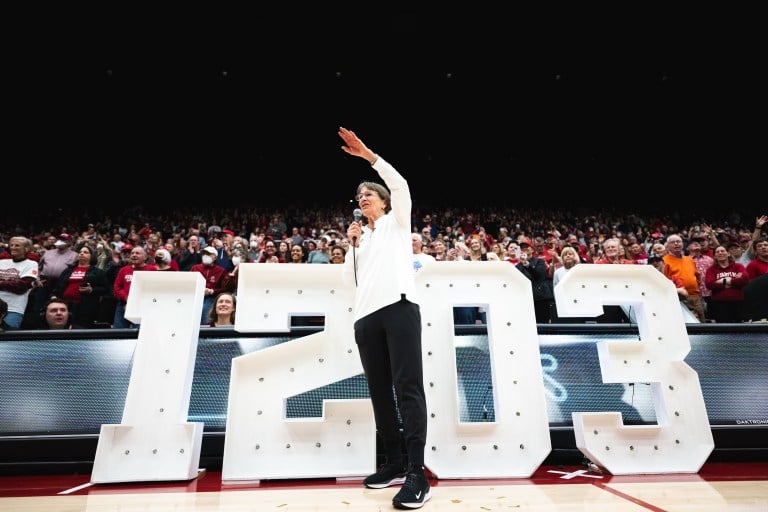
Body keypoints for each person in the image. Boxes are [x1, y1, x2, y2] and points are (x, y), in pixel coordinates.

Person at [339, 126, 431, 509]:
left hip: (398, 307)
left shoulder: (397, 223)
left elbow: (402, 183)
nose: (362, 198)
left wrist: (369, 157)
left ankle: (417, 472)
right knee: (379, 392)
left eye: (369, 194)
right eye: (359, 195)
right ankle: (393, 461)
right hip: (366, 317)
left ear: (384, 201)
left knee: (407, 386)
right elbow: (351, 281)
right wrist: (353, 244)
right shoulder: (362, 239)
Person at [52, 244, 110, 328]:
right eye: (80, 252)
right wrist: (54, 296)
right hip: (65, 305)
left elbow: (106, 289)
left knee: (80, 329)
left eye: (85, 252)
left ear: (92, 256)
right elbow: (59, 286)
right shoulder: (68, 270)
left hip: (85, 307)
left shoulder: (98, 272)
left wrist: (91, 290)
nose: (82, 254)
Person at [663, 234, 706, 322]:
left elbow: (697, 276)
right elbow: (664, 281)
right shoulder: (664, 261)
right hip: (678, 298)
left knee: (701, 324)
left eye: (678, 241)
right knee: (683, 324)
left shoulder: (689, 259)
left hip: (695, 297)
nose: (676, 244)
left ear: (682, 244)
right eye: (673, 242)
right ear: (667, 246)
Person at [0, 236, 39, 329]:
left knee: (9, 338)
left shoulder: (31, 264)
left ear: (26, 249)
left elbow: (22, 286)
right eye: (11, 245)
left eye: (17, 245)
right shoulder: (2, 262)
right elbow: (17, 284)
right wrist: (12, 282)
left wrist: (1, 283)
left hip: (14, 308)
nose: (13, 247)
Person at [113, 245, 157, 329]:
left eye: (137, 253)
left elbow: (154, 288)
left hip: (143, 306)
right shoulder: (124, 270)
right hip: (123, 305)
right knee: (118, 333)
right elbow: (117, 287)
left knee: (139, 333)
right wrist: (127, 298)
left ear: (145, 257)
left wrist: (134, 301)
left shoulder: (152, 270)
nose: (134, 255)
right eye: (132, 253)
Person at [704, 245, 749, 323]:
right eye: (717, 252)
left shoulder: (738, 266)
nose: (720, 253)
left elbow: (744, 280)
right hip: (719, 305)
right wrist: (732, 280)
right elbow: (709, 284)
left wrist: (722, 281)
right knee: (723, 329)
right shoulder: (711, 270)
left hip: (738, 303)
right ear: (714, 256)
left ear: (728, 253)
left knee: (739, 329)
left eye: (722, 251)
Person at [515, 237, 555, 324]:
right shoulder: (518, 266)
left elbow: (539, 276)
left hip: (540, 298)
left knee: (542, 324)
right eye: (522, 248)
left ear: (532, 250)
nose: (524, 249)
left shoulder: (540, 261)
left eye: (526, 247)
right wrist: (522, 262)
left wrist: (526, 264)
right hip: (525, 298)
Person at [191, 246, 230, 323]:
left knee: (206, 308)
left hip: (212, 297)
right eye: (204, 253)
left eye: (208, 254)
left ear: (215, 257)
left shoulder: (221, 271)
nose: (205, 255)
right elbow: (190, 284)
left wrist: (211, 291)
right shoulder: (195, 268)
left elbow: (224, 289)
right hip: (195, 296)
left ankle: (205, 331)